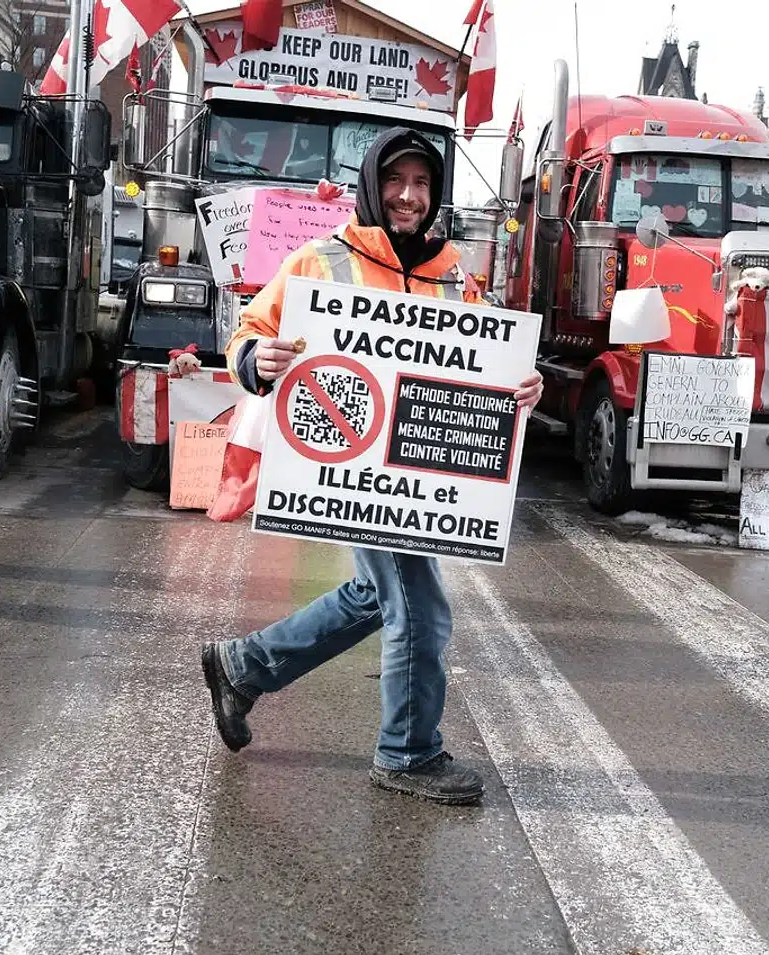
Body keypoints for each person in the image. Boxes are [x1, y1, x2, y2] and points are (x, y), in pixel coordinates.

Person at [200, 128, 542, 805]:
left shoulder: (454, 273)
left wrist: (522, 386)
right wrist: (254, 362)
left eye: (422, 184)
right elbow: (250, 333)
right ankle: (407, 752)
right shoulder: (322, 260)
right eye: (397, 181)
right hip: (354, 472)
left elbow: (492, 363)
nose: (409, 196)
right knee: (420, 606)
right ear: (371, 185)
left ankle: (244, 668)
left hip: (421, 478)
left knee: (373, 597)